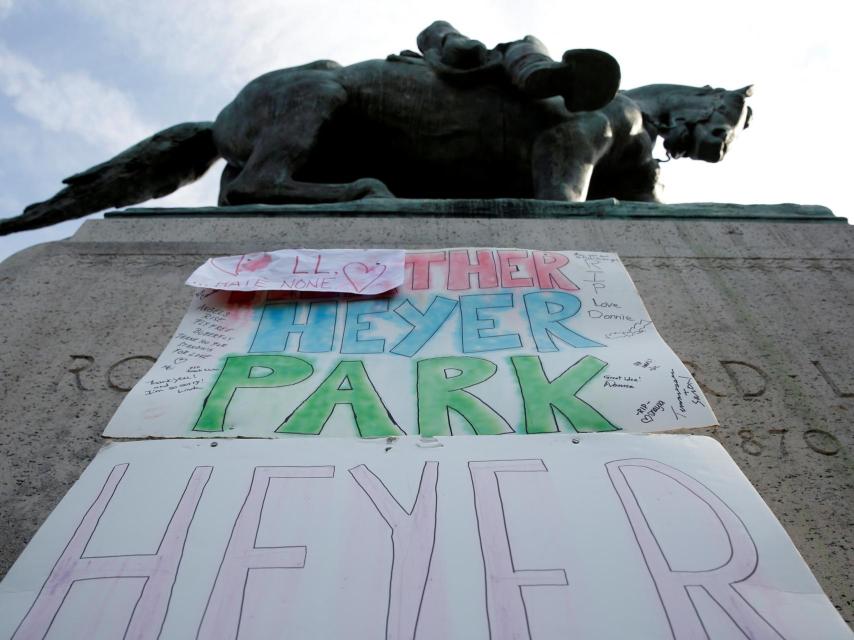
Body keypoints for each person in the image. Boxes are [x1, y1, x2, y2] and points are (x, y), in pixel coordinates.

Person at [410, 21, 621, 112]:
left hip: (498, 56)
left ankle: (533, 66)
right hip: (505, 57)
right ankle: (533, 65)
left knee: (447, 36)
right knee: (526, 46)